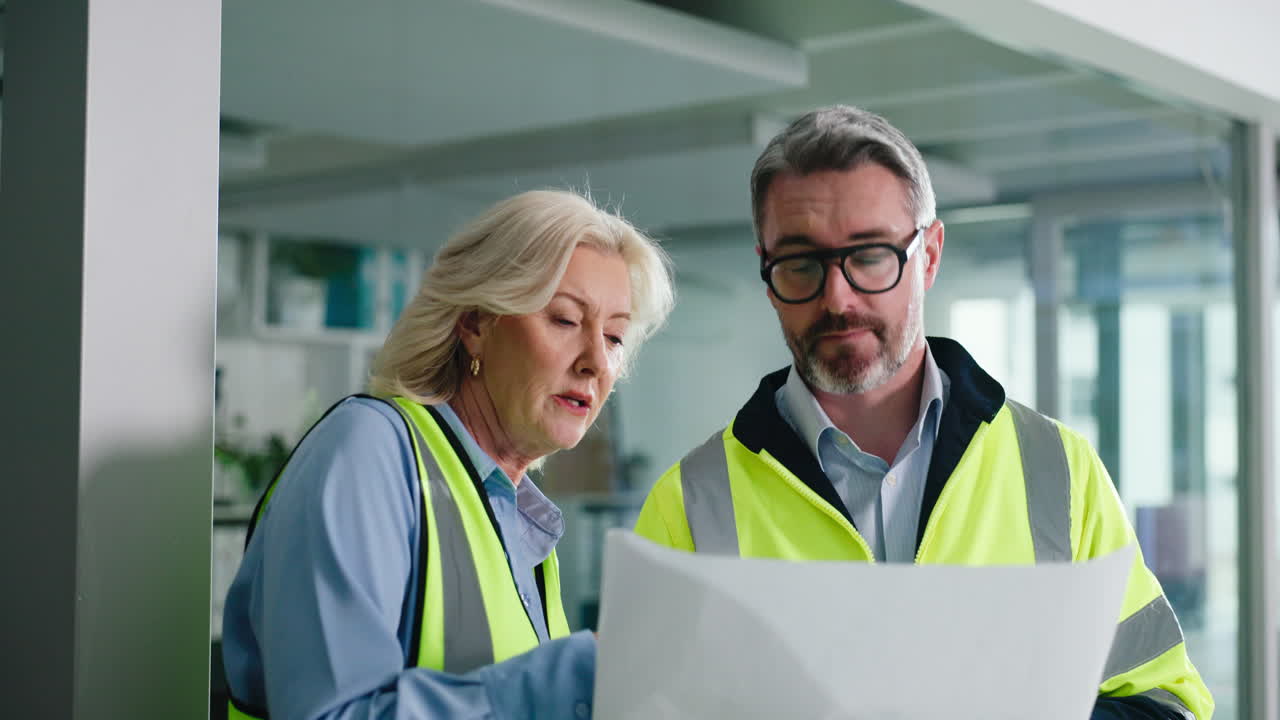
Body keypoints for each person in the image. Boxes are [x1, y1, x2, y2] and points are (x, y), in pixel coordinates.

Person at [633, 106, 1212, 719]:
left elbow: (1167, 704)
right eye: (800, 263)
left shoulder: (1057, 472)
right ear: (766, 273)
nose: (838, 298)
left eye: (870, 255)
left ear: (929, 255)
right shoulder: (691, 504)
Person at [223, 189, 674, 719]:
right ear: (476, 324)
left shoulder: (520, 520)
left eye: (616, 337)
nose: (597, 362)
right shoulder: (369, 451)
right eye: (565, 320)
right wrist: (573, 676)